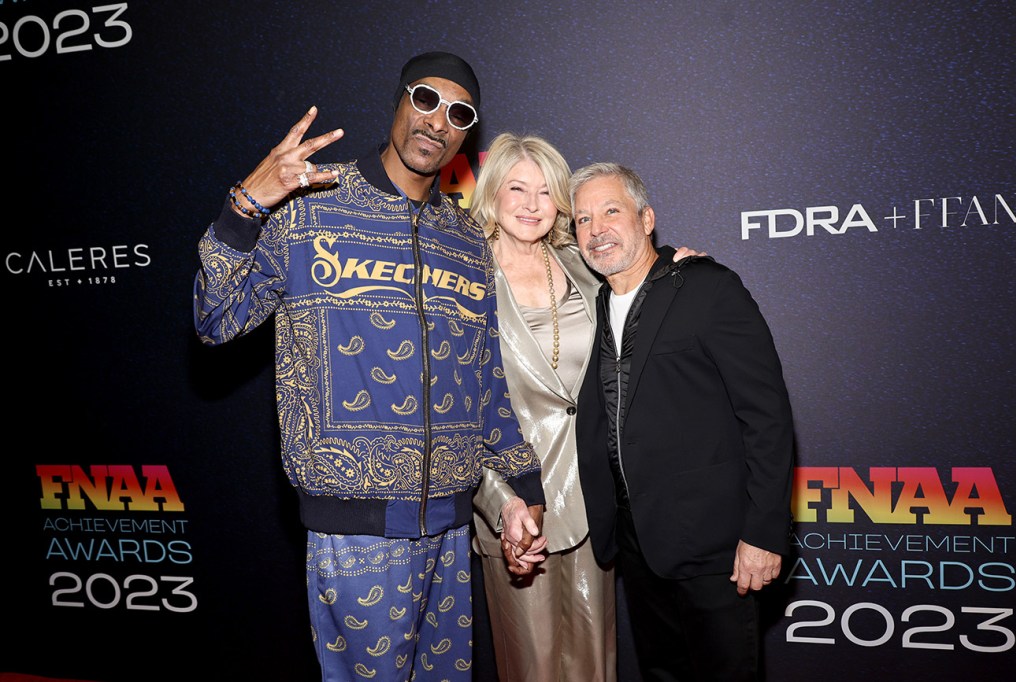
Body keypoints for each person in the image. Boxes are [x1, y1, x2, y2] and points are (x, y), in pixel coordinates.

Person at [192, 52, 546, 682]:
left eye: (458, 113)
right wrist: (248, 204)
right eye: (426, 100)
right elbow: (216, 319)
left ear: (467, 135)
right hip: (355, 530)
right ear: (398, 102)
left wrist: (524, 489)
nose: (438, 122)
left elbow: (485, 378)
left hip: (451, 524)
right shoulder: (310, 210)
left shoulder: (465, 240)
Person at [468, 134, 702, 682]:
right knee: (534, 666)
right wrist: (500, 501)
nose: (531, 204)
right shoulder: (462, 277)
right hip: (517, 502)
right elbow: (454, 410)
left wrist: (680, 267)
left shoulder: (582, 264)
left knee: (596, 664)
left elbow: (640, 279)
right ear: (492, 195)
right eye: (517, 189)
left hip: (597, 495)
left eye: (546, 193)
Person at [570, 162, 795, 681]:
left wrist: (763, 533)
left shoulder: (708, 289)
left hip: (716, 545)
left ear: (646, 219)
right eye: (583, 219)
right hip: (639, 543)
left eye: (611, 211)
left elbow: (767, 417)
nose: (596, 229)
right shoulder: (597, 303)